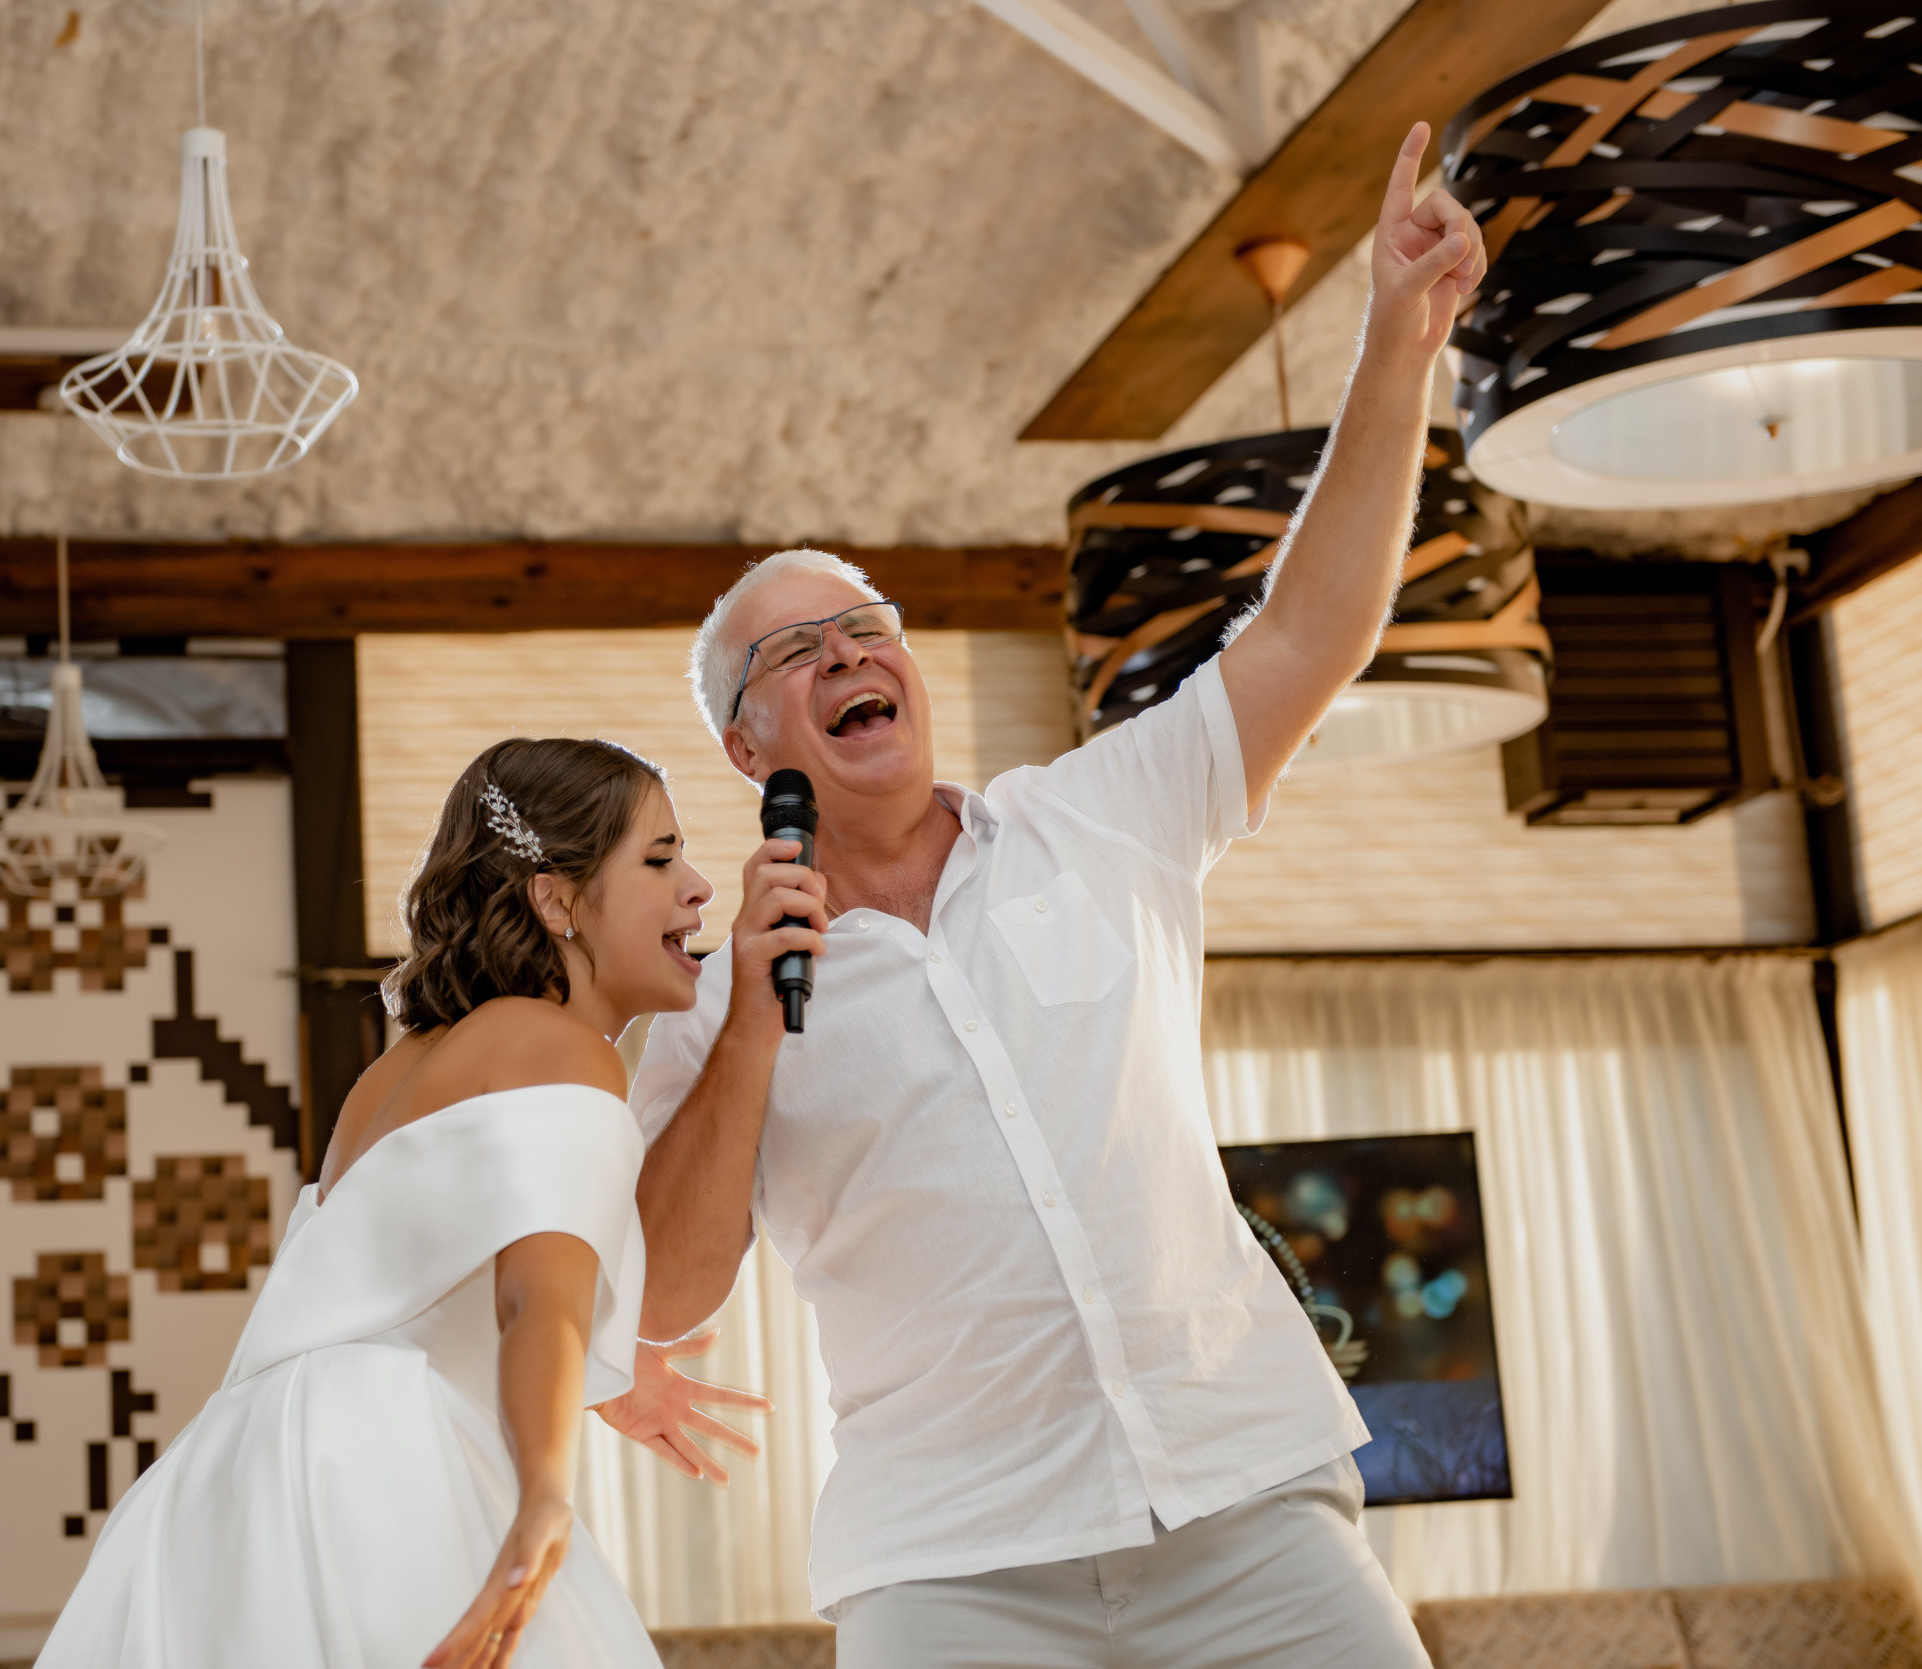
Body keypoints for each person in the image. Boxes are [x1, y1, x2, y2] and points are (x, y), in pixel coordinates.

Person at [630, 123, 1484, 1668]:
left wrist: (1392, 349)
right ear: (747, 742)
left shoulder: (1105, 818)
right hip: (952, 1571)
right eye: (795, 654)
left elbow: (1310, 635)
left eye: (867, 626)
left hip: (1245, 1504)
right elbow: (668, 1290)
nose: (849, 657)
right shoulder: (705, 986)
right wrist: (752, 1024)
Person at [35, 737, 766, 1669]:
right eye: (660, 858)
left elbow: (401, 1292)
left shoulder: (403, 1064)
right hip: (376, 1468)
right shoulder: (557, 1043)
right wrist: (544, 1494)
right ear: (556, 901)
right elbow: (533, 1295)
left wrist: (593, 1371)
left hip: (237, 1473)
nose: (699, 887)